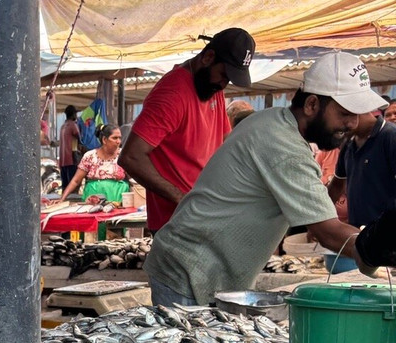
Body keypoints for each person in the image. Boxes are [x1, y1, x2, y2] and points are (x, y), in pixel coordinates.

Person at [143, 51, 396, 307]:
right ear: (311, 105)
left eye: (357, 114)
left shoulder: (271, 119)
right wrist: (372, 248)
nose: (352, 123)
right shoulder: (284, 146)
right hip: (189, 272)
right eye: (345, 113)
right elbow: (327, 231)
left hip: (199, 267)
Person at [119, 28, 256, 232]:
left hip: (205, 215)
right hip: (177, 223)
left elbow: (226, 142)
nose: (223, 84)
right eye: (224, 75)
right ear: (208, 57)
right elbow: (130, 157)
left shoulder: (212, 88)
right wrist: (182, 199)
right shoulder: (172, 94)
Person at [327, 106, 396, 227]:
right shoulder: (348, 143)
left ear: (353, 113)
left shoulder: (390, 136)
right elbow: (337, 185)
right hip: (360, 232)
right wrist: (321, 220)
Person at [59, 124, 130, 204]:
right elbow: (76, 180)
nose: (118, 141)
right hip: (93, 201)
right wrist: (62, 199)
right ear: (104, 140)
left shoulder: (123, 155)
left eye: (120, 138)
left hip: (118, 200)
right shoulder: (90, 156)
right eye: (115, 138)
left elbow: (133, 179)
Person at [58, 105, 82, 190]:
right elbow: (80, 140)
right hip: (72, 159)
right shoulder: (73, 125)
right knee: (73, 186)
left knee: (65, 187)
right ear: (73, 115)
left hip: (63, 161)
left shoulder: (62, 126)